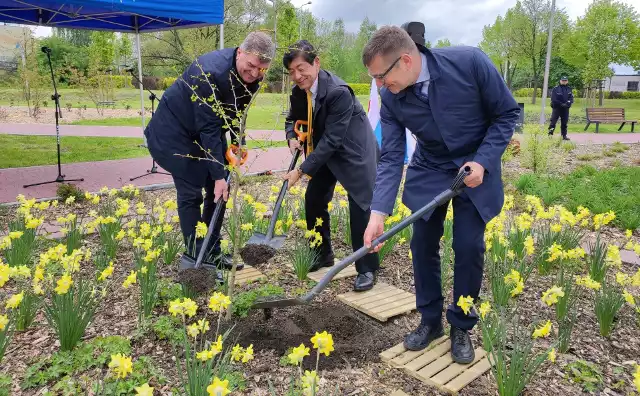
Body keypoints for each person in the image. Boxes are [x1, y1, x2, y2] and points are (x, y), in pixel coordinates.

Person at [361, 26, 519, 363]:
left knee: (468, 246)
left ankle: (461, 326)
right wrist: (377, 214)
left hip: (474, 167)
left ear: (405, 60)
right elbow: (390, 156)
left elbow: (507, 114)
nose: (379, 87)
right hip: (430, 167)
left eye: (381, 76)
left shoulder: (470, 62)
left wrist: (484, 161)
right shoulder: (391, 96)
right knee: (422, 243)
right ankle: (430, 321)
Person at [144, 32, 275, 272]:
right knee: (192, 190)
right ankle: (196, 256)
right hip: (173, 134)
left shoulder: (252, 76)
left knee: (220, 191)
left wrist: (238, 143)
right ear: (239, 52)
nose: (255, 74)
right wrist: (216, 175)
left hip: (204, 132)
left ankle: (211, 251)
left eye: (261, 69)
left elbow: (237, 112)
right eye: (251, 66)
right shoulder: (208, 73)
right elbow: (209, 127)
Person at [282, 40, 381, 292]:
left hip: (353, 152)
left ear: (316, 63)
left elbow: (334, 139)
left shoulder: (338, 91)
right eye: (291, 71)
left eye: (301, 68)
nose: (297, 75)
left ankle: (367, 268)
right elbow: (292, 118)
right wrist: (292, 137)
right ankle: (322, 254)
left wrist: (301, 170)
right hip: (325, 153)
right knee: (314, 198)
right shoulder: (298, 91)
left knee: (361, 207)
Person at [548, 76, 574, 140]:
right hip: (557, 108)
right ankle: (550, 135)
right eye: (563, 80)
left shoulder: (569, 89)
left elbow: (571, 99)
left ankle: (564, 136)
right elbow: (554, 99)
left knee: (564, 123)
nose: (564, 82)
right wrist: (561, 104)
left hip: (565, 109)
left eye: (565, 80)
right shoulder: (556, 89)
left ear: (567, 81)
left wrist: (568, 103)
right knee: (553, 122)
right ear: (560, 81)